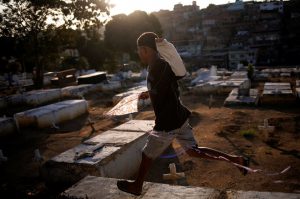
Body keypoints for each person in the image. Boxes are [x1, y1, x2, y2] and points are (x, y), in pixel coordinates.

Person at [117, 32, 249, 196]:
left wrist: (149, 92)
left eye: (139, 50)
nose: (138, 53)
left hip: (167, 122)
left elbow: (163, 86)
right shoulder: (158, 65)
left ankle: (137, 186)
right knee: (193, 151)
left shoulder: (160, 65)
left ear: (145, 49)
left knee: (146, 154)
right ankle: (236, 160)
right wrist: (148, 93)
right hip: (179, 117)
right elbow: (163, 88)